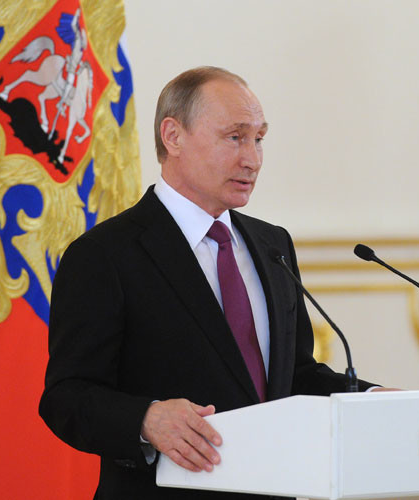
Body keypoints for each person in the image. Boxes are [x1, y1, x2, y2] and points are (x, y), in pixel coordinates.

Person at [40, 66, 378, 499]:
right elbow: (66, 397)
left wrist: (373, 400)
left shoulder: (272, 244)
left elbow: (293, 378)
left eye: (259, 139)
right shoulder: (105, 254)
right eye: (234, 137)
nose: (252, 159)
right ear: (173, 136)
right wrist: (145, 419)